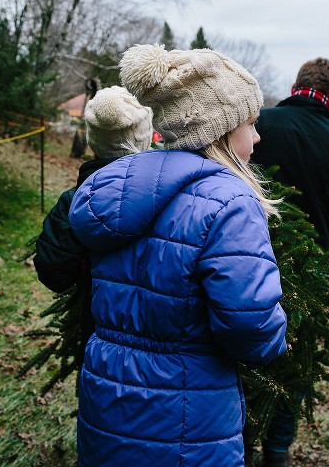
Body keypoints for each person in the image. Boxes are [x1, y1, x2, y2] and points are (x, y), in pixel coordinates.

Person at [68, 43, 288, 467]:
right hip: (186, 414)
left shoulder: (117, 185)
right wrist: (278, 336)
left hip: (107, 397)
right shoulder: (230, 202)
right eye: (251, 123)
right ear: (220, 128)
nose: (258, 137)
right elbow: (250, 325)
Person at [247, 57, 329, 466]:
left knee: (241, 354)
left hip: (246, 259)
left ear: (297, 84)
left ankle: (237, 441)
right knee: (294, 361)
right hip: (309, 275)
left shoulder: (258, 125)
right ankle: (277, 450)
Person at [34, 85, 154, 367]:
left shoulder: (74, 202)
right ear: (144, 138)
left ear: (93, 141)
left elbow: (52, 270)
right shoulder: (172, 197)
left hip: (99, 340)